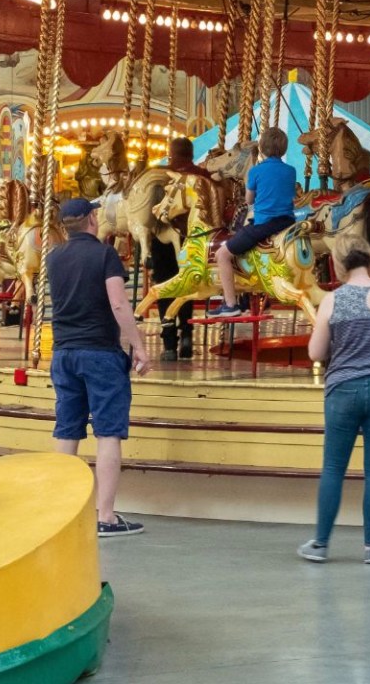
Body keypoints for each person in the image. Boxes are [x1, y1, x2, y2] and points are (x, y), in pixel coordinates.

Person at [299, 243, 370, 565]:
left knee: (334, 467)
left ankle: (320, 544)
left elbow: (315, 353)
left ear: (341, 267)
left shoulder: (334, 300)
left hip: (344, 389)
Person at [45, 197, 151, 537]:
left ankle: (60, 512)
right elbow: (118, 303)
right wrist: (138, 344)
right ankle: (105, 516)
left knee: (67, 430)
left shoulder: (54, 257)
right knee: (107, 433)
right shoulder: (104, 254)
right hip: (100, 353)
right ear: (92, 218)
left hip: (63, 353)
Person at [211, 129, 298, 317]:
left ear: (261, 148)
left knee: (222, 254)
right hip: (288, 222)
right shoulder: (291, 171)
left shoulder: (256, 171)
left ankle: (230, 303)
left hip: (266, 223)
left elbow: (249, 200)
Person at [150, 137, 212, 360]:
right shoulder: (202, 175)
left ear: (170, 153)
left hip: (163, 239)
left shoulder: (161, 175)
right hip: (193, 238)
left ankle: (168, 341)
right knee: (186, 285)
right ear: (192, 154)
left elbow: (152, 208)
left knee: (164, 284)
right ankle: (186, 333)